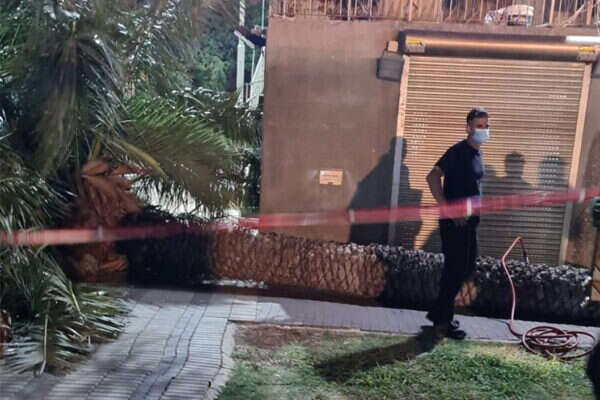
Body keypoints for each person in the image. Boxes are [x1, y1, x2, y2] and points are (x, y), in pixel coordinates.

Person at [425, 107, 489, 341]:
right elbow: (432, 176)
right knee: (456, 270)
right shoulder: (457, 152)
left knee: (464, 268)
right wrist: (448, 209)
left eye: (486, 126)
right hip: (455, 224)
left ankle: (440, 314)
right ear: (468, 127)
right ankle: (441, 321)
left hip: (470, 223)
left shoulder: (477, 154)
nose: (483, 130)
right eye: (479, 126)